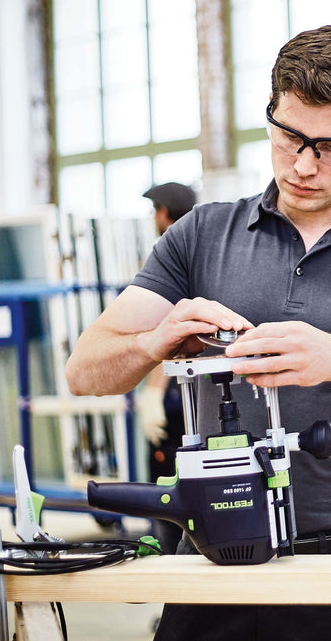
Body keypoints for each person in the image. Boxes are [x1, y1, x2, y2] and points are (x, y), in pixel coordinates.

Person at [65, 23, 331, 641]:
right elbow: (85, 371)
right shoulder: (201, 235)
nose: (303, 164)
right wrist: (149, 344)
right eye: (289, 136)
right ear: (271, 112)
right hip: (208, 557)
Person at [136, 181, 198, 555]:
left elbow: (170, 333)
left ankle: (172, 580)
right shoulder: (207, 248)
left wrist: (153, 394)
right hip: (195, 396)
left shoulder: (172, 254)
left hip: (177, 401)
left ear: (162, 213)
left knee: (167, 494)